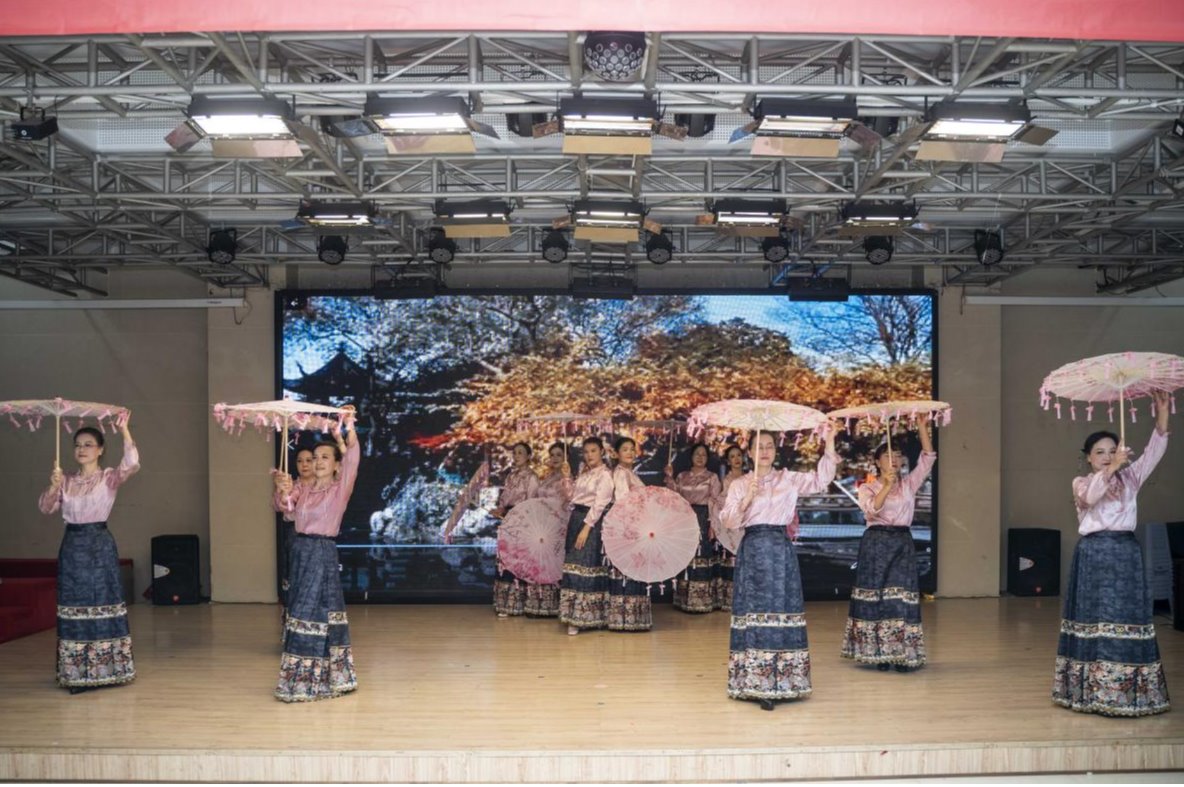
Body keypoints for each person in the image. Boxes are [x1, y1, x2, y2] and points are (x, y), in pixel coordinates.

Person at [1052, 389, 1172, 717]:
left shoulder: (1131, 478)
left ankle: (1127, 694)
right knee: (1093, 620)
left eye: (1112, 450)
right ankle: (1090, 693)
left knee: (1126, 619)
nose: (1106, 456)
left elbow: (1154, 451)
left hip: (1125, 554)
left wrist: (1162, 414)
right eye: (1099, 452)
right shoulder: (1081, 482)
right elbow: (1091, 498)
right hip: (1093, 555)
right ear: (1088, 458)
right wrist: (1110, 470)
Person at [720, 427, 838, 710]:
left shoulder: (788, 478)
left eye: (769, 446)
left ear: (775, 450)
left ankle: (786, 680)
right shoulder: (740, 484)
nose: (764, 451)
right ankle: (756, 682)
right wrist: (747, 498)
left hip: (780, 550)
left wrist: (830, 440)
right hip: (753, 549)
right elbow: (728, 521)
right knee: (755, 613)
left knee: (782, 610)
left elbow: (821, 479)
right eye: (758, 446)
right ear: (749, 452)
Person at [38, 416, 140, 693]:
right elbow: (46, 508)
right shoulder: (65, 480)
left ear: (100, 449)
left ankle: (108, 670)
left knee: (102, 602)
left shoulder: (108, 477)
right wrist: (53, 485)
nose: (81, 449)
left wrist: (124, 429)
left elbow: (131, 464)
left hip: (99, 546)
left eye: (88, 444)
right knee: (75, 606)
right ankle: (77, 673)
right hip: (72, 547)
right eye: (77, 445)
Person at [272, 409, 359, 702]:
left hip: (321, 553)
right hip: (300, 552)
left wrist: (347, 427)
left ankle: (315, 680)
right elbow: (285, 510)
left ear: (336, 465)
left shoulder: (339, 489)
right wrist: (283, 490)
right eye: (316, 457)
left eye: (325, 457)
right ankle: (303, 678)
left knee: (314, 611)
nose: (318, 462)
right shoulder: (305, 490)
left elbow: (353, 457)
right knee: (300, 611)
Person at [840, 419, 935, 672]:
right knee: (877, 597)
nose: (894, 459)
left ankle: (901, 653)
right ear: (877, 461)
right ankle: (878, 653)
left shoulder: (909, 484)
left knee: (900, 598)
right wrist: (887, 486)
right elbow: (872, 510)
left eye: (898, 455)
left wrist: (922, 426)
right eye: (888, 455)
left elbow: (928, 458)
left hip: (902, 542)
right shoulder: (867, 487)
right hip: (876, 543)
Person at [558, 437, 613, 635]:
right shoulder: (584, 473)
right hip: (576, 518)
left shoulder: (605, 475)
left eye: (593, 451)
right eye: (586, 451)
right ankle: (573, 615)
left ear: (602, 452)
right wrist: (567, 477)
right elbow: (571, 497)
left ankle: (583, 617)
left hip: (592, 522)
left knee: (585, 566)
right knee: (572, 566)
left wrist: (587, 527)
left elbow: (600, 504)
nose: (589, 455)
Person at [666, 443, 722, 614]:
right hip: (685, 519)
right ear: (691, 456)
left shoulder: (712, 477)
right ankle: (684, 600)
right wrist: (669, 477)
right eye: (697, 453)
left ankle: (702, 600)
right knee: (686, 555)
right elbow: (674, 496)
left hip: (704, 517)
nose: (700, 457)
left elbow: (716, 502)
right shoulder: (682, 476)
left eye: (703, 454)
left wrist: (713, 524)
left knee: (702, 555)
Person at [607, 437, 653, 632]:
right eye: (625, 449)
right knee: (627, 569)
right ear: (617, 453)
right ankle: (625, 618)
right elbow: (623, 502)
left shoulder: (630, 473)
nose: (629, 452)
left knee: (633, 569)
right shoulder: (620, 473)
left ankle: (632, 617)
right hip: (627, 527)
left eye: (632, 449)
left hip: (636, 525)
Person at [491, 442, 540, 617]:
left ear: (528, 456)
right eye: (515, 453)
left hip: (522, 520)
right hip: (507, 520)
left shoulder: (532, 477)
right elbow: (504, 500)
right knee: (505, 559)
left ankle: (521, 602)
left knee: (518, 560)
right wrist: (499, 510)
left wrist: (518, 516)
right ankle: (505, 603)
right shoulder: (511, 476)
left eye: (521, 452)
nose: (517, 456)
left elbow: (532, 503)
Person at [526, 441, 572, 617]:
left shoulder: (568, 478)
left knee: (555, 562)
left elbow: (569, 499)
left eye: (559, 455)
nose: (554, 458)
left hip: (559, 524)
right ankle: (541, 604)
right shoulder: (548, 476)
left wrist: (567, 478)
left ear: (567, 457)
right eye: (552, 455)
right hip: (543, 524)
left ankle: (556, 604)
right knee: (542, 561)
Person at [274, 445, 315, 635]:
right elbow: (279, 506)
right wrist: (282, 491)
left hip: (315, 537)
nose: (304, 465)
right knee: (292, 581)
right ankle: (291, 630)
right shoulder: (291, 485)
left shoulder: (324, 487)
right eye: (300, 461)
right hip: (293, 535)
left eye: (308, 460)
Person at [712, 444, 748, 611]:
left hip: (747, 523)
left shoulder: (750, 478)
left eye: (738, 455)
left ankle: (746, 599)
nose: (736, 459)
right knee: (731, 561)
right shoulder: (726, 481)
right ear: (728, 461)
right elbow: (720, 502)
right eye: (732, 456)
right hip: (732, 526)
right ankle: (730, 600)